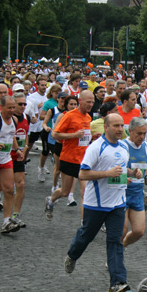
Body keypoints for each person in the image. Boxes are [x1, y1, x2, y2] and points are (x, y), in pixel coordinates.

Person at [64, 113, 142, 292]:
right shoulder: (96, 147)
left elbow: (121, 170)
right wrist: (107, 173)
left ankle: (117, 283)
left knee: (115, 242)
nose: (119, 129)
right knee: (86, 236)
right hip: (96, 204)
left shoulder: (124, 146)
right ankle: (72, 255)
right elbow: (83, 174)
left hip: (117, 203)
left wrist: (131, 173)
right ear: (105, 127)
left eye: (121, 125)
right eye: (115, 126)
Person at [45, 90, 94, 220]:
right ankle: (50, 200)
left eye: (92, 102)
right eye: (88, 102)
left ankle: (85, 223)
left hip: (83, 160)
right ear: (80, 101)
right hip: (68, 158)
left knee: (85, 192)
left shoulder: (89, 117)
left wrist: (93, 137)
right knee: (65, 192)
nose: (91, 104)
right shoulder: (69, 116)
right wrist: (74, 135)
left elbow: (84, 138)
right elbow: (55, 134)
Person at [0, 96, 23, 233]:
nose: (12, 110)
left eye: (13, 107)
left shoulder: (14, 119)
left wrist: (17, 150)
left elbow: (12, 135)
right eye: (9, 107)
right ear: (1, 107)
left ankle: (6, 222)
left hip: (5, 159)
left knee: (9, 189)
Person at [122, 117, 147, 248]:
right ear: (130, 131)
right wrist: (125, 177)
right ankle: (115, 255)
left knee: (139, 231)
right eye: (139, 133)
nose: (142, 136)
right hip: (121, 194)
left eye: (144, 133)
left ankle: (122, 247)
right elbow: (113, 169)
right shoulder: (122, 146)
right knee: (122, 230)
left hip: (137, 194)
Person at [10, 92, 30, 228]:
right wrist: (17, 149)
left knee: (21, 185)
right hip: (6, 155)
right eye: (20, 104)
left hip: (19, 156)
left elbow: (26, 134)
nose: (23, 106)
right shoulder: (9, 118)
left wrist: (25, 148)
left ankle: (15, 215)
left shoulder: (26, 117)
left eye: (24, 104)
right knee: (1, 186)